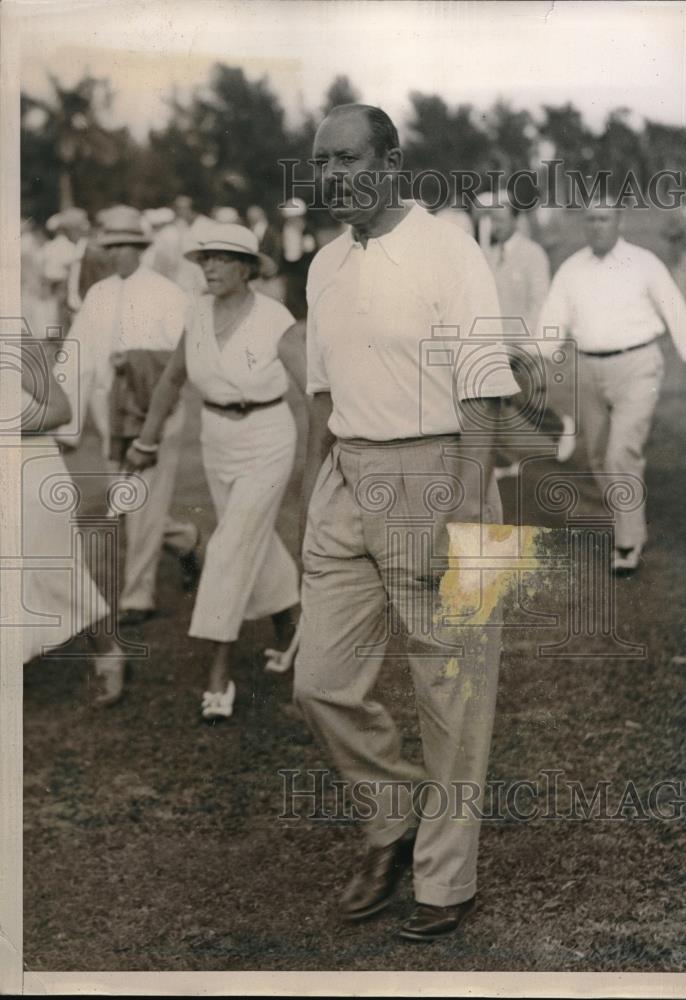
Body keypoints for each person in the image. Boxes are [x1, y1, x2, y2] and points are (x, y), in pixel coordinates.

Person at [293, 104, 519, 942]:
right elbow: (322, 391)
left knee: (455, 692)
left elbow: (485, 380)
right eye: (321, 163)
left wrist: (469, 501)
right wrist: (313, 491)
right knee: (318, 680)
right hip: (348, 474)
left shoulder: (449, 248)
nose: (333, 176)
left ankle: (444, 879)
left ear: (391, 162)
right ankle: (392, 815)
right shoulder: (322, 266)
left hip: (446, 475)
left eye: (348, 159)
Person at [125, 222, 304, 721]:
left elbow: (313, 383)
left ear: (248, 268)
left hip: (268, 435)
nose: (210, 267)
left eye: (223, 258)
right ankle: (291, 630)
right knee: (252, 540)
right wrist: (146, 439)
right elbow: (172, 379)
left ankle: (218, 674)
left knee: (227, 546)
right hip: (216, 437)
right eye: (205, 258)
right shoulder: (196, 312)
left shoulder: (274, 317)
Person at [538, 204, 686, 573]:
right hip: (587, 368)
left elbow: (675, 310)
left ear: (619, 222)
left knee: (621, 452)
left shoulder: (643, 263)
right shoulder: (572, 269)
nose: (597, 226)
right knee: (599, 457)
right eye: (591, 219)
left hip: (637, 366)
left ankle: (628, 541)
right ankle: (626, 523)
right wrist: (536, 362)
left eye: (604, 219)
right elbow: (551, 323)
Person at [64, 205, 199, 624]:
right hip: (111, 416)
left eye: (125, 245)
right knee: (129, 501)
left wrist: (135, 362)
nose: (116, 253)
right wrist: (64, 423)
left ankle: (137, 596)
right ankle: (185, 540)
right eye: (110, 246)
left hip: (157, 414)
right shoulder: (98, 294)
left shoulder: (168, 294)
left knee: (142, 499)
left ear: (140, 248)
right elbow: (76, 356)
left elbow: (184, 358)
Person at [15, 332, 127, 705]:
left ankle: (108, 652)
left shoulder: (16, 341)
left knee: (58, 572)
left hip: (33, 474)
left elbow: (61, 411)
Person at [475, 191, 575, 477]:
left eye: (502, 220)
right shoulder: (488, 254)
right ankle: (505, 460)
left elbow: (539, 302)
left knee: (523, 399)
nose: (497, 226)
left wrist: (521, 341)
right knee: (494, 403)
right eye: (492, 220)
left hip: (523, 344)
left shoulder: (533, 254)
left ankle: (559, 426)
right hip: (493, 343)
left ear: (516, 220)